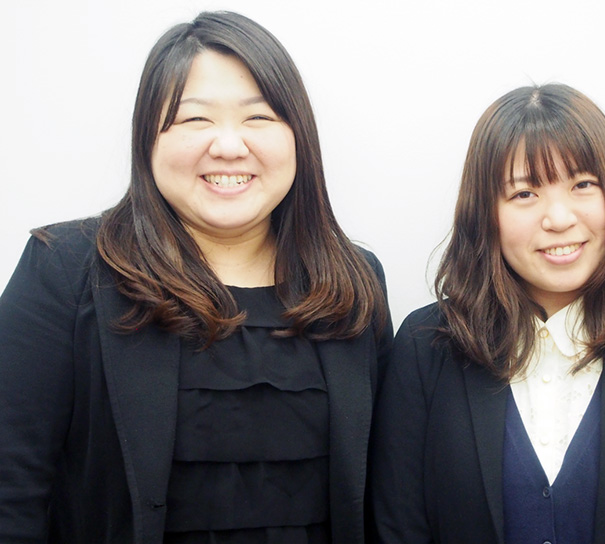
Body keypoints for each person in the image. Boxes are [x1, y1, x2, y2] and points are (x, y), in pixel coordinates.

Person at [0, 11, 391, 543]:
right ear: (148, 137)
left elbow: (384, 497)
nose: (228, 146)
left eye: (258, 117)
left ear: (299, 135)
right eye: (194, 119)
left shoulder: (352, 283)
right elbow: (12, 491)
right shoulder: (65, 271)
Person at [370, 84, 605, 543]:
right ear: (485, 213)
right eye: (524, 193)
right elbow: (398, 529)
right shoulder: (425, 345)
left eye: (583, 184)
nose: (559, 218)